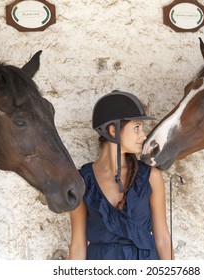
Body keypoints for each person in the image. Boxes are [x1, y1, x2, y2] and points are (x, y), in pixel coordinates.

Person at [69, 90, 172, 260]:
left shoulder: (151, 176)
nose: (143, 135)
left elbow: (163, 238)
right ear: (112, 130)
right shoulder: (81, 181)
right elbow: (78, 244)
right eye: (137, 127)